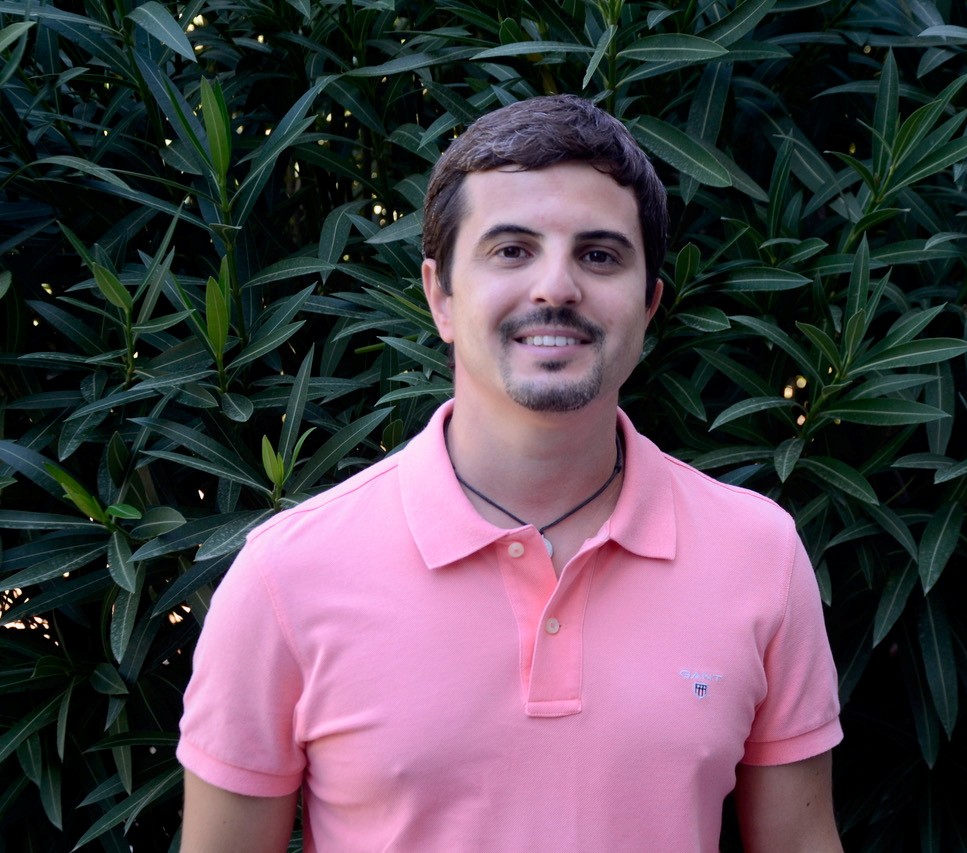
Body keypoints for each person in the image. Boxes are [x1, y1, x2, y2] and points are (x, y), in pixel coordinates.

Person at [177, 94, 843, 852]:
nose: (556, 287)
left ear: (650, 304)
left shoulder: (758, 555)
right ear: (440, 296)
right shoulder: (286, 578)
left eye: (600, 255)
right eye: (511, 250)